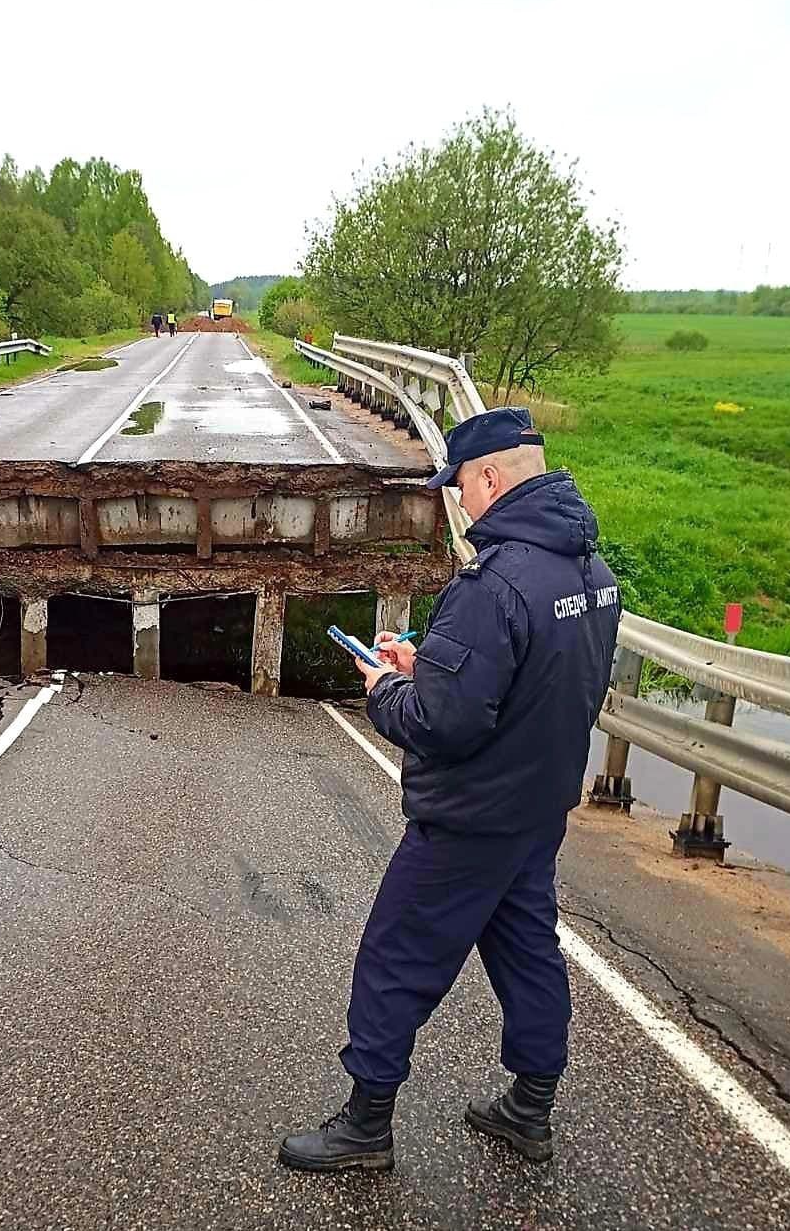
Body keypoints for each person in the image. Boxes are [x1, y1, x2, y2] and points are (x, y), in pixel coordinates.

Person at [278, 407, 620, 1173]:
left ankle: (365, 1127)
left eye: (460, 484)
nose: (458, 501)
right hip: (537, 812)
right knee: (528, 950)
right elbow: (537, 682)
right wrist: (426, 658)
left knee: (395, 958)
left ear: (491, 476)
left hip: (469, 820)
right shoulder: (593, 576)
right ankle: (529, 1110)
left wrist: (383, 691)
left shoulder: (492, 585)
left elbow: (445, 724)